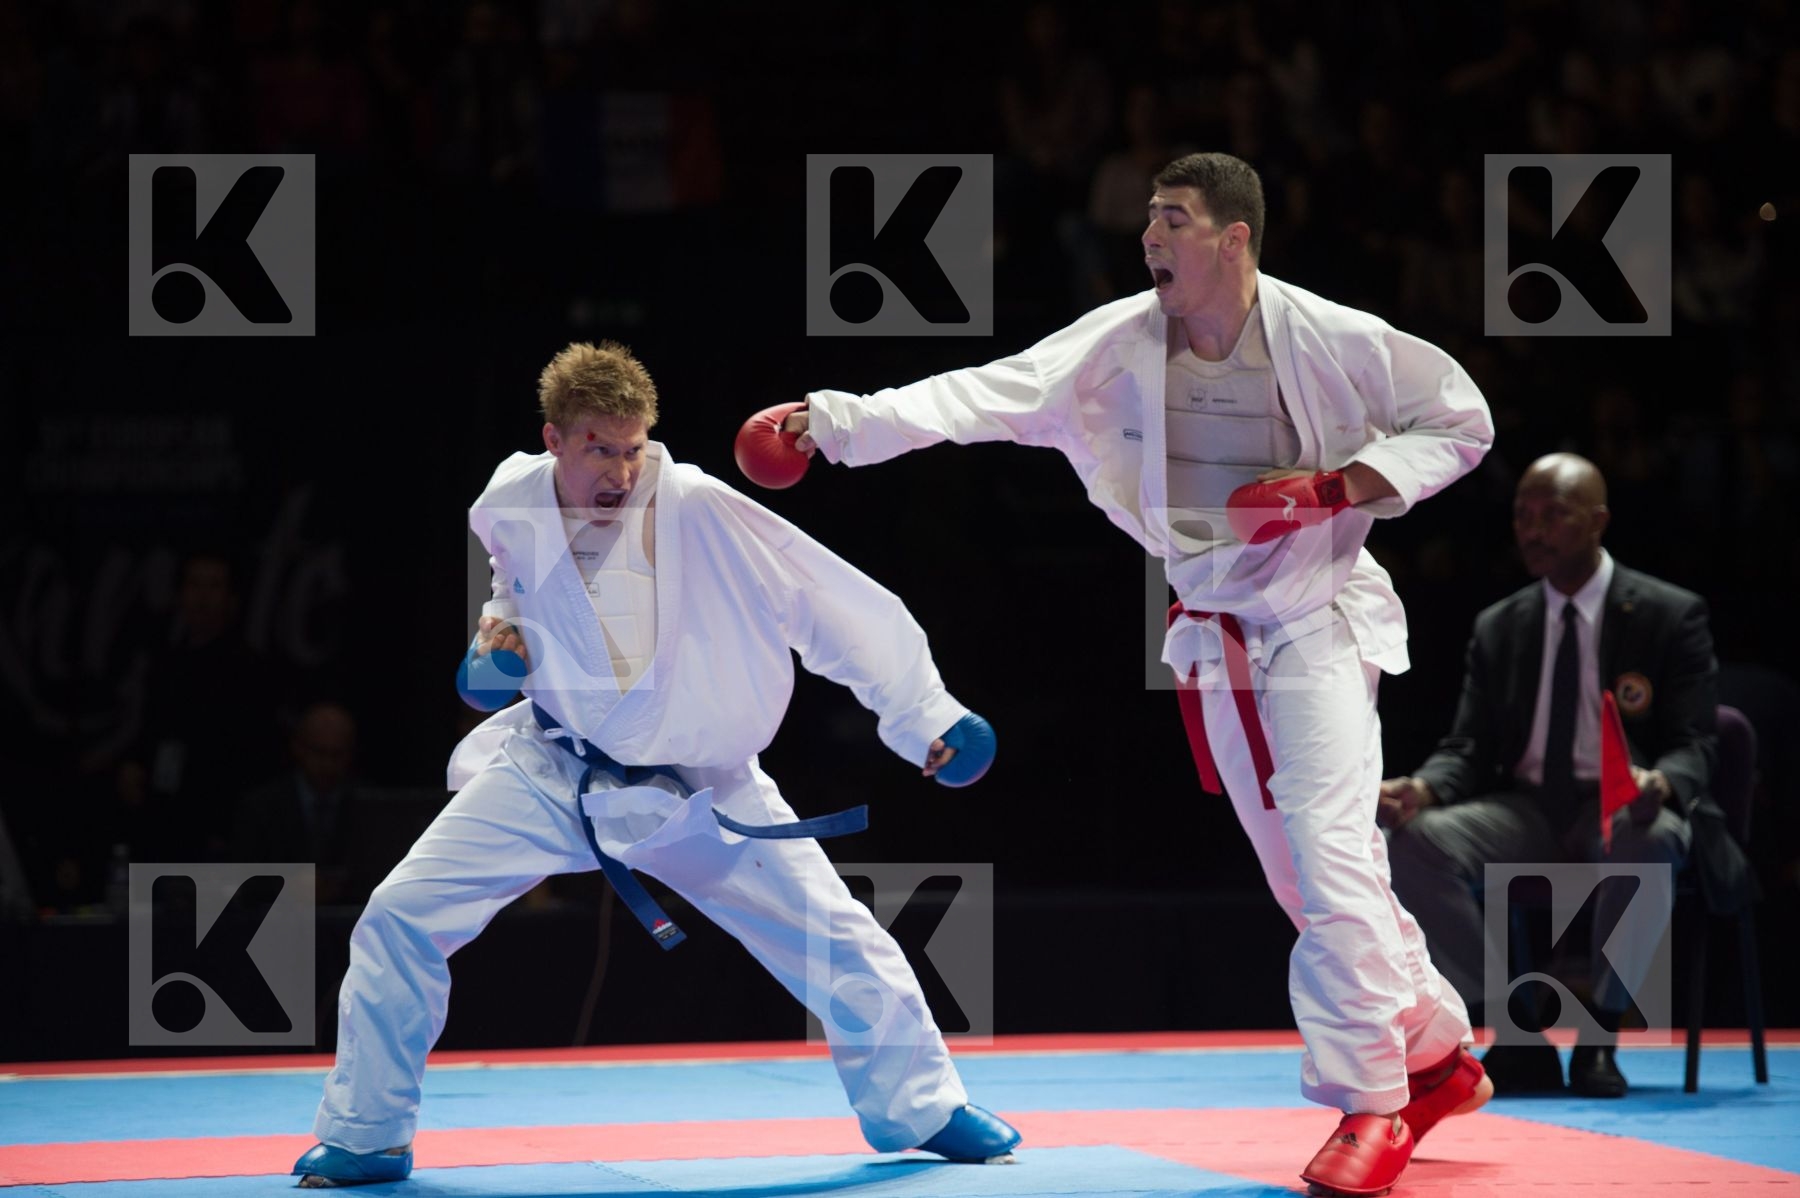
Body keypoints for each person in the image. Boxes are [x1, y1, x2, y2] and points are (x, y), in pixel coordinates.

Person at [762, 152, 1495, 1198]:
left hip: (1318, 621)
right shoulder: (1114, 347)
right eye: (1149, 221)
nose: (1149, 239)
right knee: (1307, 876)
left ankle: (1372, 1101)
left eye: (1173, 221)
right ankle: (1435, 1045)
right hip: (1210, 628)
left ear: (1235, 237)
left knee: (1329, 857)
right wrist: (832, 422)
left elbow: (1463, 421)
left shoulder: (1335, 337)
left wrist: (1340, 486)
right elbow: (981, 393)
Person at [292, 342, 1019, 1188]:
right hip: (555, 767)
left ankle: (923, 1108)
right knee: (398, 914)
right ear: (554, 440)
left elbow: (826, 601)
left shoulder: (697, 506)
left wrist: (925, 712)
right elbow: (509, 586)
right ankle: (368, 1130)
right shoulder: (509, 500)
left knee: (838, 939)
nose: (622, 468)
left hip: (698, 788)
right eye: (600, 446)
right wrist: (497, 636)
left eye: (634, 447)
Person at [1383, 453, 1715, 1098]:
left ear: (1597, 522)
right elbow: (1468, 747)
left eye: (1552, 516)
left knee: (1652, 839)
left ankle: (1599, 1036)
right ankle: (1519, 1025)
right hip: (1528, 809)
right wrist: (1423, 788)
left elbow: (1697, 743)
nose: (1532, 530)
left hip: (1623, 808)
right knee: (1419, 841)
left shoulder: (1668, 614)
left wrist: (1661, 783)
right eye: (1522, 516)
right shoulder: (1500, 624)